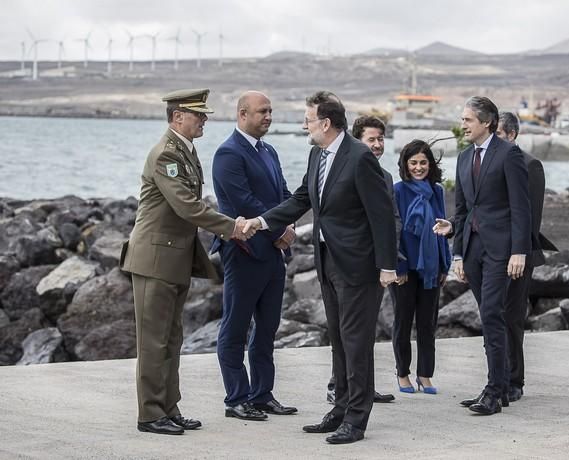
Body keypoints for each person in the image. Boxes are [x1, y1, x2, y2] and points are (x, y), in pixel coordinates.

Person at [243, 91, 398, 444]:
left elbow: (382, 215)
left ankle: (357, 420)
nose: (304, 125)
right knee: (340, 341)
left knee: (357, 344)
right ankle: (340, 408)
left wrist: (388, 265)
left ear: (326, 123)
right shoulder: (317, 154)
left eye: (308, 119)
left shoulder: (360, 158)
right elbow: (301, 199)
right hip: (327, 260)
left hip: (359, 266)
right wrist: (261, 222)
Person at [120, 88, 254, 435]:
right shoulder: (167, 153)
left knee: (172, 339)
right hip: (154, 259)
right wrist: (232, 228)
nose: (204, 120)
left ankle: (169, 407)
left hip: (172, 258)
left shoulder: (184, 151)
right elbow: (187, 207)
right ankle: (150, 414)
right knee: (154, 342)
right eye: (198, 115)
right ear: (178, 117)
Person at [433, 96, 530, 415]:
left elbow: (520, 207)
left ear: (486, 122)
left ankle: (493, 389)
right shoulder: (463, 158)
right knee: (492, 316)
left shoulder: (509, 154)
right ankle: (500, 387)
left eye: (468, 120)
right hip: (472, 250)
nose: (462, 125)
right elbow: (461, 210)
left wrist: (519, 250)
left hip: (502, 250)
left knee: (491, 313)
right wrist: (457, 253)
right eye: (462, 119)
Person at [210, 91, 297, 422]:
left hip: (274, 255)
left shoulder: (269, 151)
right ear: (242, 114)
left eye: (271, 111)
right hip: (244, 253)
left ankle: (262, 395)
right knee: (235, 328)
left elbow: (284, 195)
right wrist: (280, 231)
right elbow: (244, 202)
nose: (269, 116)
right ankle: (236, 398)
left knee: (267, 329)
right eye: (263, 111)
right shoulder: (228, 154)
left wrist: (289, 223)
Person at [325, 115, 397, 405]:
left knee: (363, 333)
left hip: (374, 265)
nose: (377, 145)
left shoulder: (386, 177)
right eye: (372, 139)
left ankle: (362, 387)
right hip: (344, 263)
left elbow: (388, 221)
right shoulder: (344, 168)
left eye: (381, 139)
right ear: (357, 141)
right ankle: (338, 386)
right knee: (344, 332)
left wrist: (390, 261)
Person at [495, 111, 557, 402]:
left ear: (512, 135)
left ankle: (514, 380)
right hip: (491, 255)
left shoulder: (531, 165)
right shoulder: (486, 162)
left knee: (512, 317)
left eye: (497, 134)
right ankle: (496, 378)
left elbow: (530, 217)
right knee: (495, 316)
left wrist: (515, 253)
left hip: (519, 254)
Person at [391, 140, 451, 395]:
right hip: (405, 267)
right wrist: (397, 267)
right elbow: (393, 232)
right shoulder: (397, 191)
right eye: (413, 162)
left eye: (423, 163)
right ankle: (402, 373)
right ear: (405, 164)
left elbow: (442, 228)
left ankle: (425, 375)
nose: (418, 167)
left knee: (428, 323)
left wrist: (444, 265)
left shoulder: (436, 191)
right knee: (403, 321)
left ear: (430, 164)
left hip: (431, 266)